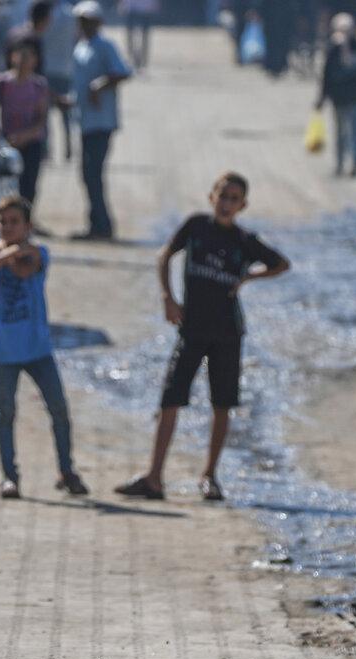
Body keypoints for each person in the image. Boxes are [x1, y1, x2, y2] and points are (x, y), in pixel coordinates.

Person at [115, 173, 289, 502]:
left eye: (234, 199)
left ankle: (209, 476)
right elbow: (165, 256)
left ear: (243, 205)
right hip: (192, 328)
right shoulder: (196, 227)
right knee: (170, 399)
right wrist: (168, 297)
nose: (226, 203)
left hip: (227, 333)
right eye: (222, 196)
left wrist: (249, 277)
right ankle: (154, 478)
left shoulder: (243, 240)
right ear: (211, 197)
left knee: (221, 404)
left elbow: (282, 264)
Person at [0, 195, 88, 500]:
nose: (8, 227)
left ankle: (66, 470)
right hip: (3, 351)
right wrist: (6, 251)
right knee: (5, 414)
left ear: (28, 225)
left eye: (14, 222)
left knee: (59, 410)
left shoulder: (39, 252)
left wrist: (12, 251)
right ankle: (9, 477)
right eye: (3, 222)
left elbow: (27, 268)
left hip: (38, 350)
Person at [70, 1, 131, 240]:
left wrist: (100, 85)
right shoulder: (80, 47)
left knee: (93, 172)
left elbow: (123, 72)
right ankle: (97, 222)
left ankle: (102, 226)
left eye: (89, 21)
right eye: (82, 21)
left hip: (101, 121)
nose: (85, 25)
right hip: (85, 119)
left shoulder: (105, 46)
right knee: (86, 173)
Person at [0, 41, 51, 205]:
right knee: (4, 185)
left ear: (35, 60)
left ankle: (26, 221)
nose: (23, 60)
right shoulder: (1, 83)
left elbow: (42, 118)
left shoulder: (38, 86)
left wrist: (24, 136)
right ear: (12, 57)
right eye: (20, 55)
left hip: (31, 143)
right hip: (6, 143)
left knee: (28, 186)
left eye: (28, 56)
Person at [315, 13, 356, 178]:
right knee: (341, 133)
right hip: (339, 100)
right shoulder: (332, 50)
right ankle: (340, 163)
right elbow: (326, 76)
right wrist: (322, 98)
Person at [41, 0, 77, 161]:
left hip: (48, 69)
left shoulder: (46, 15)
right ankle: (68, 148)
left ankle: (47, 149)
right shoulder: (71, 13)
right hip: (65, 69)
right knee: (66, 112)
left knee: (45, 112)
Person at [119, 0, 159, 69]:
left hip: (142, 8)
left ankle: (140, 59)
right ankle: (135, 58)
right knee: (134, 36)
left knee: (141, 36)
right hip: (135, 8)